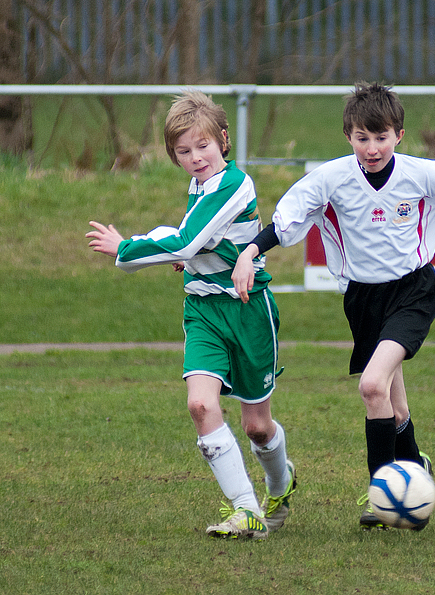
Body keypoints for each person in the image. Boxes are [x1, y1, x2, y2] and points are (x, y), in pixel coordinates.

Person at [232, 82, 435, 530]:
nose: (373, 147)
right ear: (349, 137)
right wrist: (250, 252)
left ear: (399, 134)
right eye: (363, 137)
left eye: (381, 137)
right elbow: (289, 216)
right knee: (393, 408)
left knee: (372, 386)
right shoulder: (333, 178)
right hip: (362, 299)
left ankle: (382, 492)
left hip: (413, 291)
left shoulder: (420, 174)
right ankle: (414, 466)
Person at [86, 90, 297, 540]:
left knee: (258, 428)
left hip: (247, 311)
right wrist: (180, 251)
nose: (196, 157)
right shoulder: (198, 185)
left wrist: (127, 249)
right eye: (184, 151)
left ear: (223, 140)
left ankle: (280, 486)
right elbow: (191, 239)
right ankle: (246, 511)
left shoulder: (235, 184)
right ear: (175, 156)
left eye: (203, 146)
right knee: (201, 405)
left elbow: (184, 241)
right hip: (202, 309)